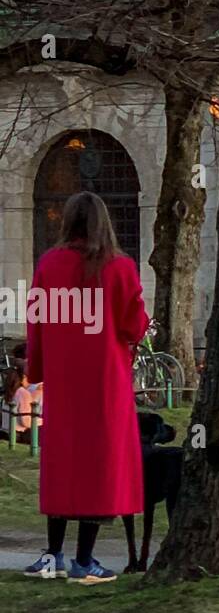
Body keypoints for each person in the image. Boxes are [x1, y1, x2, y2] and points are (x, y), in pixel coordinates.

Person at [23, 191, 148, 583]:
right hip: (104, 382)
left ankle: (52, 554)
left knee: (62, 464)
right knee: (99, 464)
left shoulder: (50, 264)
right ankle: (84, 559)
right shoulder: (119, 267)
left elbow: (37, 322)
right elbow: (133, 325)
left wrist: (39, 368)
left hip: (64, 381)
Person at [0, 367, 40, 443]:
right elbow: (26, 422)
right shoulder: (23, 393)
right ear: (23, 378)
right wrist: (44, 420)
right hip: (18, 435)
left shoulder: (10, 392)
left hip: (5, 432)